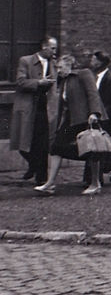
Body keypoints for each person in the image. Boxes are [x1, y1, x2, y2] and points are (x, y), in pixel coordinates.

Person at [34, 52, 106, 196]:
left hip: (86, 118)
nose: (58, 70)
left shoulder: (84, 74)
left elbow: (93, 93)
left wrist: (94, 113)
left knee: (92, 150)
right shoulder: (65, 80)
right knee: (56, 147)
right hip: (71, 120)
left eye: (60, 67)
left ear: (70, 65)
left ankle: (95, 183)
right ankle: (50, 183)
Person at [9, 36, 58, 184]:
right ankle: (33, 165)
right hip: (30, 108)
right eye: (53, 48)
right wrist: (39, 82)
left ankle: (41, 179)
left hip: (46, 108)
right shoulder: (26, 61)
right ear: (44, 46)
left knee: (43, 144)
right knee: (24, 144)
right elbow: (20, 81)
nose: (54, 51)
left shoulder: (54, 63)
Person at [85, 50, 111, 184]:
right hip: (95, 118)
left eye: (93, 60)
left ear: (100, 62)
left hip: (106, 119)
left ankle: (94, 178)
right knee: (95, 146)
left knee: (96, 147)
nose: (91, 63)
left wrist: (102, 112)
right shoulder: (93, 77)